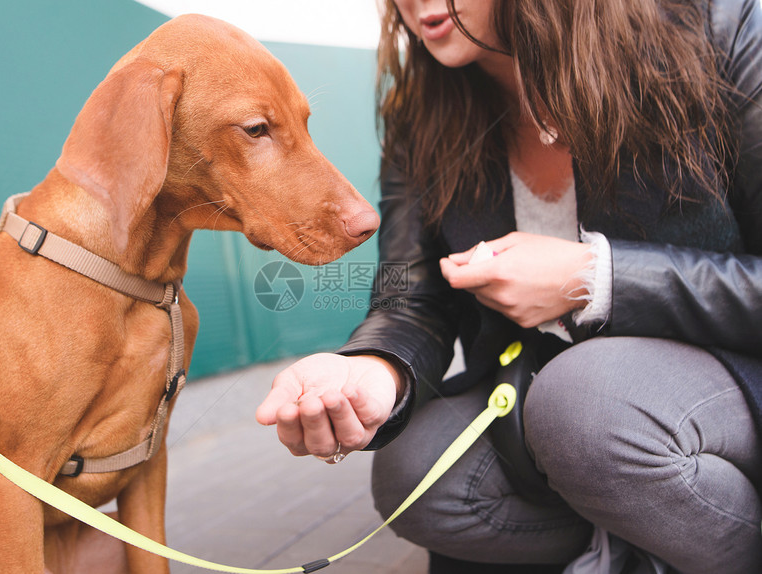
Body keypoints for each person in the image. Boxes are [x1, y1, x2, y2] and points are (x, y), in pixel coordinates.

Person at [256, 0, 762, 571]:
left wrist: (598, 279)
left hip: (725, 380)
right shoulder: (420, 109)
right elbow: (410, 294)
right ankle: (626, 542)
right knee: (416, 472)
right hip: (545, 403)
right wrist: (374, 367)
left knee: (585, 405)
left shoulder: (721, 28)